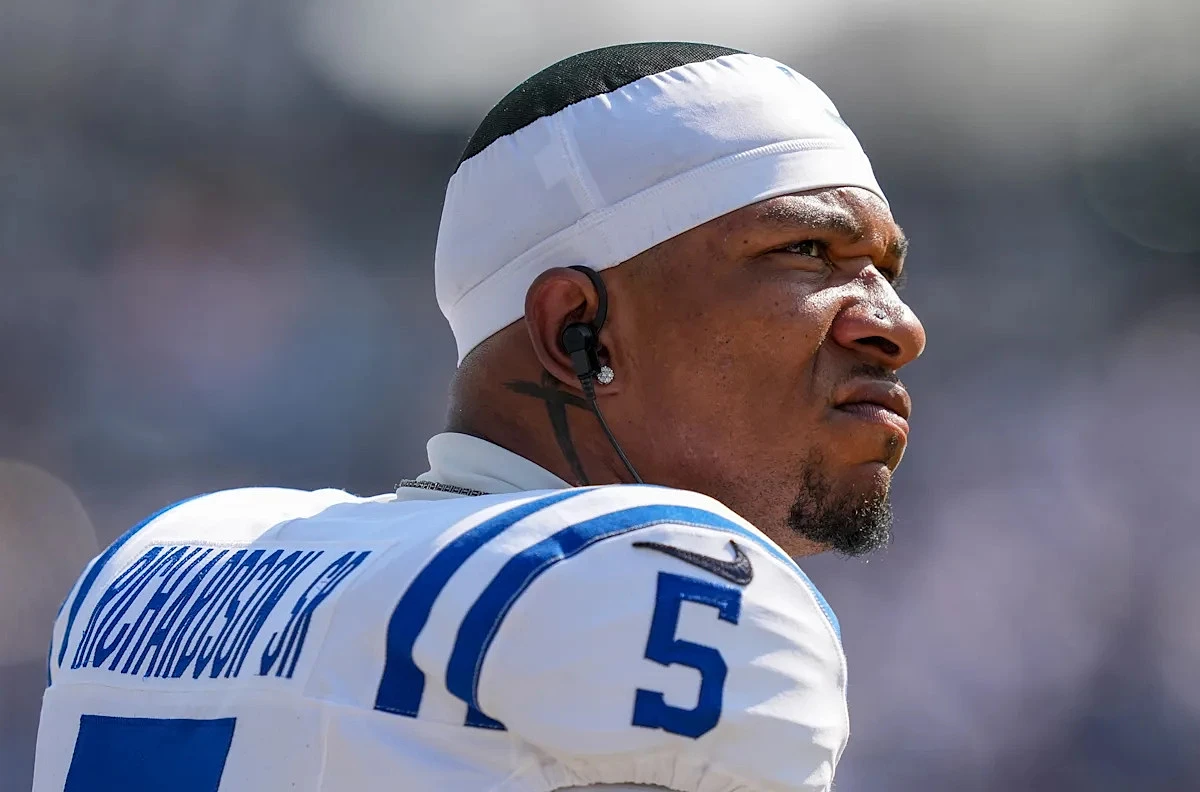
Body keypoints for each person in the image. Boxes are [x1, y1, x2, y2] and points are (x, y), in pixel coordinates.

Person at [33, 42, 925, 792]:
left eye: (887, 272)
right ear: (575, 327)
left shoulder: (172, 557)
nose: (898, 326)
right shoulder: (677, 582)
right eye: (806, 251)